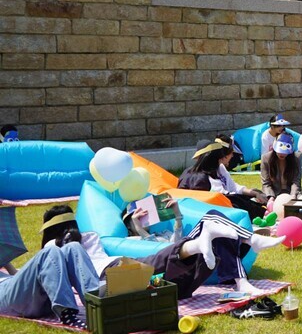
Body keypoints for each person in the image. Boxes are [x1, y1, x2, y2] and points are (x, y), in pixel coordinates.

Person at [41, 203, 282, 298]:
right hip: (112, 278)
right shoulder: (56, 249)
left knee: (212, 218)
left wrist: (176, 214)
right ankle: (238, 244)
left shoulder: (88, 237)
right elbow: (56, 256)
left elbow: (72, 249)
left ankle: (237, 243)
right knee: (179, 290)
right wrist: (134, 223)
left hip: (116, 269)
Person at [0, 214, 95, 329]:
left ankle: (96, 304)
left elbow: (16, 279)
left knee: (73, 247)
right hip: (6, 297)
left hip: (25, 295)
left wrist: (4, 261)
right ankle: (66, 314)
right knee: (49, 252)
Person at [178, 138, 268, 220]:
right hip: (208, 209)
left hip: (219, 202)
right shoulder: (201, 176)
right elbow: (218, 197)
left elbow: (232, 187)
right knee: (240, 202)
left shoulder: (216, 168)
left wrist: (253, 193)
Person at [260, 132, 302, 201]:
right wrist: (271, 197)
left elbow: (296, 181)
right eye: (280, 150)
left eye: (285, 152)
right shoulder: (266, 158)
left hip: (291, 193)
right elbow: (266, 183)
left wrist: (293, 195)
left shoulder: (297, 157)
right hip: (274, 194)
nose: (282, 154)